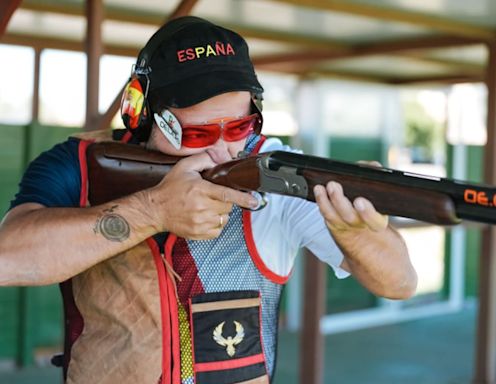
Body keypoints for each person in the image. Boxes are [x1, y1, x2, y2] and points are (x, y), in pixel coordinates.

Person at [0, 16, 416, 384]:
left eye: (238, 128)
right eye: (197, 134)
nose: (222, 151)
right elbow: (8, 259)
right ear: (142, 113)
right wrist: (153, 210)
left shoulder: (273, 172)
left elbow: (400, 282)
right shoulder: (80, 164)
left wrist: (356, 234)